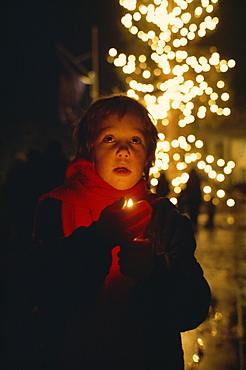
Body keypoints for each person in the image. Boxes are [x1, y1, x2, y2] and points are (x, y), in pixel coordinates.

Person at [31, 95, 210, 369]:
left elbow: (192, 309)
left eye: (135, 140)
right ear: (88, 147)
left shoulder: (164, 217)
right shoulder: (57, 207)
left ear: (149, 153)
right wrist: (98, 240)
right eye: (110, 139)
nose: (123, 150)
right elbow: (43, 292)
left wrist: (154, 273)